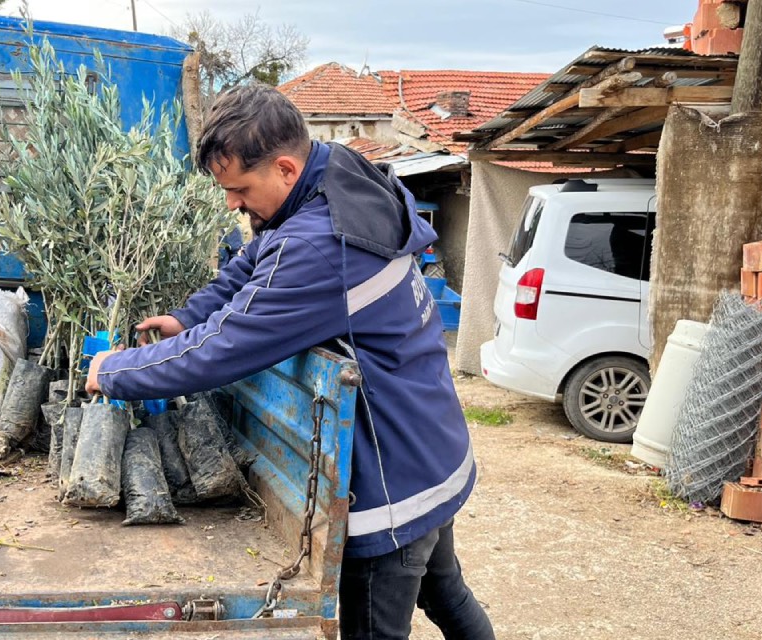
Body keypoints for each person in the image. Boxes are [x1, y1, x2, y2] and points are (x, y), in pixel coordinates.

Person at [85, 84, 494, 640]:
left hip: (392, 473)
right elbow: (256, 259)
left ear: (281, 166)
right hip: (433, 442)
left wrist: (112, 372)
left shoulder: (320, 244)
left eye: (239, 189)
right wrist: (189, 315)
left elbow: (222, 349)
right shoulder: (335, 172)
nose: (232, 203)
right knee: (447, 595)